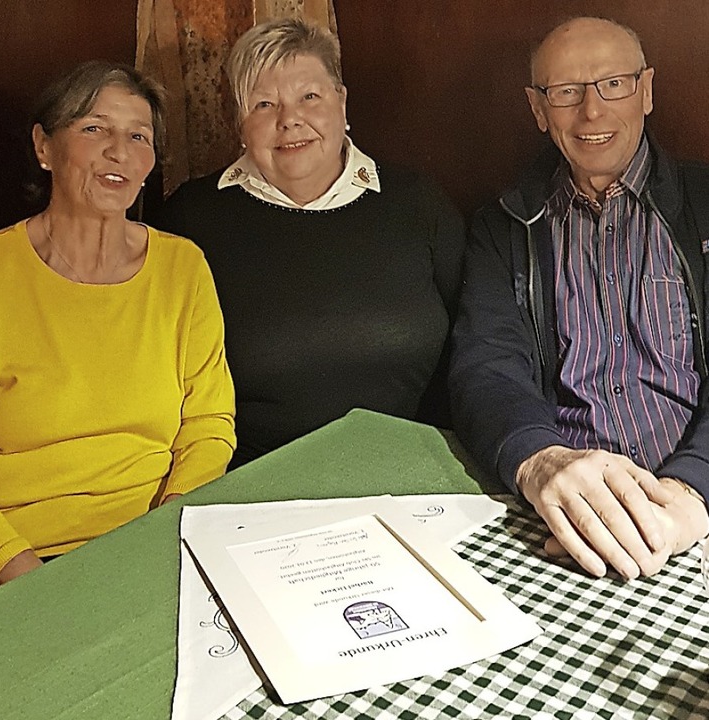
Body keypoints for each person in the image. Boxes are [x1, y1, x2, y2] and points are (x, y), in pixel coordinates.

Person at [0, 61, 235, 633]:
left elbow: (208, 427)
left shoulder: (183, 267)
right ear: (44, 147)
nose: (118, 152)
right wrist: (36, 583)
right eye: (94, 129)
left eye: (138, 136)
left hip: (146, 547)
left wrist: (161, 543)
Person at [451, 17, 709, 581]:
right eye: (565, 93)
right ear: (539, 110)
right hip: (563, 519)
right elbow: (487, 367)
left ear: (646, 91)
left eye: (613, 84)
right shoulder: (505, 225)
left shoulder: (704, 205)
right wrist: (542, 462)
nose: (591, 112)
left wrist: (693, 489)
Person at [147, 18, 465, 468]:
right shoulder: (191, 220)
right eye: (263, 104)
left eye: (309, 97)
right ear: (239, 123)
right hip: (255, 487)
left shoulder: (418, 204)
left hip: (413, 476)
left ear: (342, 101)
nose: (289, 119)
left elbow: (473, 351)